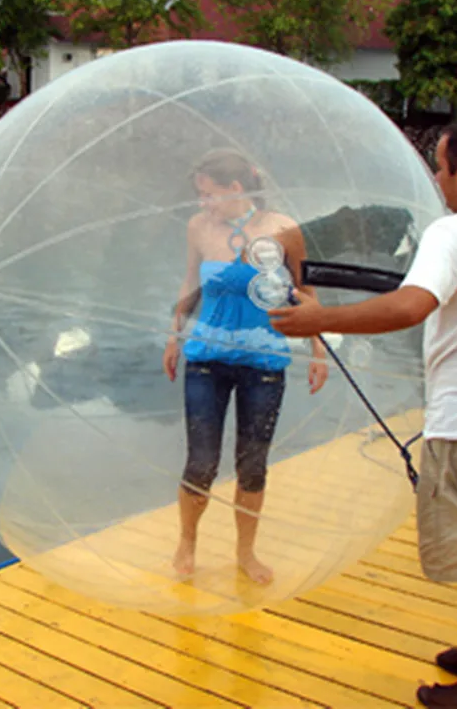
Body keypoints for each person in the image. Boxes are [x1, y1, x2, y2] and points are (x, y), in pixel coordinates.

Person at [268, 121, 457, 709]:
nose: (434, 178)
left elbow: (410, 306)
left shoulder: (453, 234)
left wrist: (317, 321)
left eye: (440, 166)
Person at [163, 148, 330, 585]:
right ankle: (187, 542)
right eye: (199, 195)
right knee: (200, 461)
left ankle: (245, 553)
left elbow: (304, 289)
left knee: (252, 463)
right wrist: (173, 333)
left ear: (236, 188)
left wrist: (318, 349)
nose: (203, 203)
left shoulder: (283, 230)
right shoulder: (198, 227)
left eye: (208, 193)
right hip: (205, 357)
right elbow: (189, 282)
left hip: (264, 358)